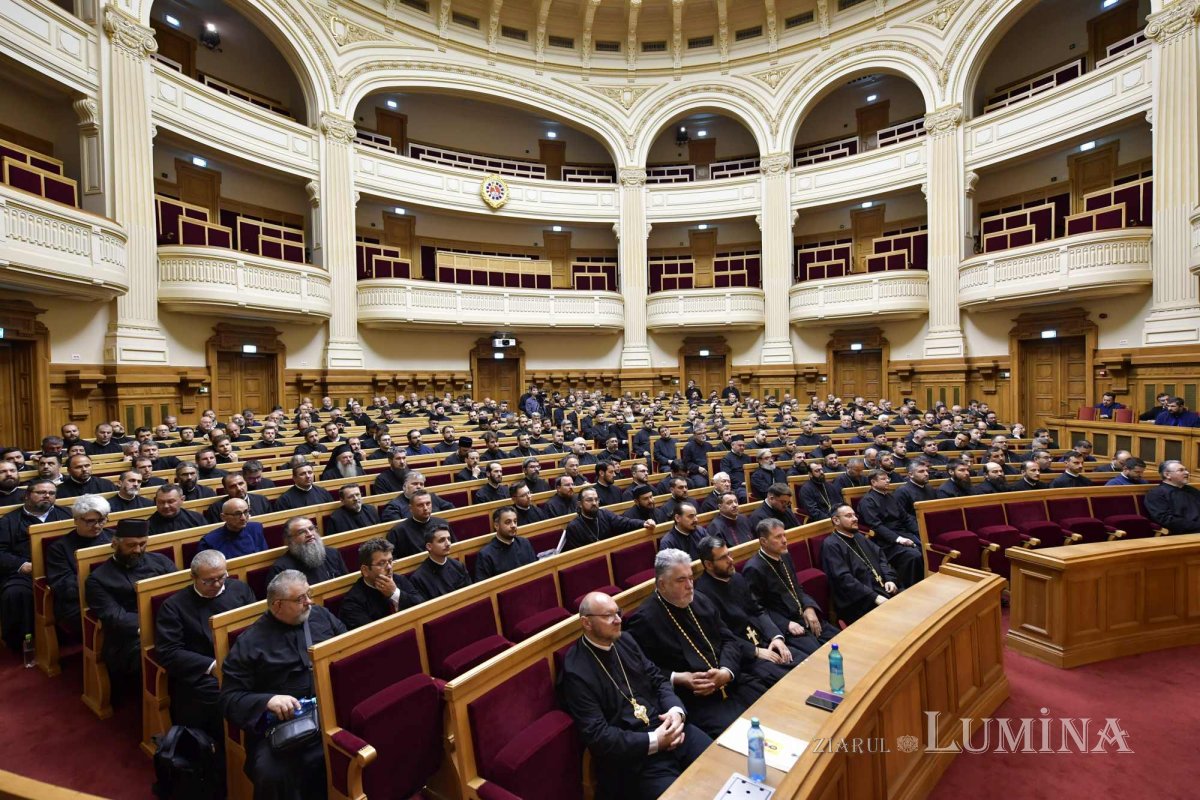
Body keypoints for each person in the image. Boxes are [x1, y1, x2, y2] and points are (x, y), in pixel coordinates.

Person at [558, 590, 712, 800]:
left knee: (721, 762)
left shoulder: (626, 641)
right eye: (608, 616)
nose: (618, 620)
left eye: (618, 612)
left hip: (671, 729)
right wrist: (655, 740)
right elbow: (598, 735)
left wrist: (676, 713)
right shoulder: (576, 670)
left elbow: (658, 680)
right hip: (636, 760)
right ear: (586, 623)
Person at [219, 570, 346, 800]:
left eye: (309, 593)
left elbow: (348, 652)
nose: (310, 602)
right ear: (277, 605)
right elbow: (229, 698)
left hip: (332, 712)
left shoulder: (321, 616)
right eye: (300, 599)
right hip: (284, 727)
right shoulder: (250, 642)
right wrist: (268, 701)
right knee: (272, 774)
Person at [625, 549, 766, 738]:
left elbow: (728, 639)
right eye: (681, 580)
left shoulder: (700, 600)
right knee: (739, 738)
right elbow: (642, 671)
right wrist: (678, 678)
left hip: (733, 681)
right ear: (662, 584)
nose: (690, 586)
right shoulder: (644, 620)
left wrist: (726, 672)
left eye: (691, 578)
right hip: (698, 700)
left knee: (773, 709)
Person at [155, 550, 257, 742]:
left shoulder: (240, 589)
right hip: (202, 671)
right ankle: (226, 747)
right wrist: (211, 667)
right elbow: (169, 651)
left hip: (242, 660)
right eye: (209, 581)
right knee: (225, 696)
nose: (217, 584)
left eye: (222, 577)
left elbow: (256, 627)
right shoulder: (174, 606)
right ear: (193, 577)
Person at [85, 519, 175, 679]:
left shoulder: (161, 561)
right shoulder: (98, 579)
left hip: (170, 624)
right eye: (131, 545)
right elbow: (116, 617)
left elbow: (178, 593)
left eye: (142, 544)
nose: (138, 550)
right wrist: (155, 627)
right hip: (130, 636)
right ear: (114, 543)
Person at [694, 537, 802, 671]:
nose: (731, 560)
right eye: (723, 558)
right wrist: (755, 651)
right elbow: (721, 636)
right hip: (745, 656)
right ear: (709, 565)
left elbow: (757, 611)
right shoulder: (702, 595)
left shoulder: (737, 578)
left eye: (729, 554)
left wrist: (776, 637)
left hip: (765, 640)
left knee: (805, 661)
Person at [742, 519, 837, 657]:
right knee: (820, 656)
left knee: (843, 640)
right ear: (763, 541)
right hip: (788, 627)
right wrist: (786, 624)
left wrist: (808, 607)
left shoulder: (784, 556)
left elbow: (796, 587)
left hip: (804, 616)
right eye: (778, 537)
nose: (785, 540)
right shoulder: (753, 569)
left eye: (784, 535)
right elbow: (757, 610)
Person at [0, 479, 72, 651]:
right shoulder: (8, 521)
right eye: (41, 492)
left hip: (61, 569)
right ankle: (25, 643)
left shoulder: (68, 515)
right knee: (15, 593)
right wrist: (21, 564)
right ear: (26, 496)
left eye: (52, 493)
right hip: (25, 572)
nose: (47, 496)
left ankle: (67, 635)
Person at [820, 505, 899, 625]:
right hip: (859, 601)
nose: (855, 518)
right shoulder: (830, 545)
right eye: (848, 516)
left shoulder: (858, 536)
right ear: (836, 520)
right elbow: (844, 580)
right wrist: (874, 597)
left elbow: (880, 556)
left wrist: (889, 579)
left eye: (854, 515)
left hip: (881, 589)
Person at [45, 494, 112, 638]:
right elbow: (64, 586)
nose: (97, 526)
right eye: (90, 521)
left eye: (102, 520)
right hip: (78, 602)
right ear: (76, 520)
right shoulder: (59, 548)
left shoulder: (114, 538)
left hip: (114, 594)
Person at [855, 469, 924, 588]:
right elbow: (876, 526)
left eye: (888, 478)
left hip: (902, 533)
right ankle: (908, 587)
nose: (888, 481)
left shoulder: (890, 496)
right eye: (883, 479)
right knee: (913, 555)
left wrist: (921, 531)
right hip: (884, 541)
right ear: (873, 482)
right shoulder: (867, 501)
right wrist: (898, 539)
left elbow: (905, 517)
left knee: (925, 546)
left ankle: (922, 583)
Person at [338, 539, 421, 630]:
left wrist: (395, 594)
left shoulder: (399, 580)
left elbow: (422, 607)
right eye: (381, 563)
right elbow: (373, 634)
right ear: (365, 570)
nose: (389, 567)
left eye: (390, 561)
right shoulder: (353, 602)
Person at [561, 488, 656, 552]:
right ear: (579, 504)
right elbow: (576, 555)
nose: (594, 503)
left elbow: (625, 522)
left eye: (596, 499)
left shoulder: (605, 514)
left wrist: (643, 523)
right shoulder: (573, 527)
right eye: (589, 500)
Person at [268, 517, 348, 584]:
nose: (310, 534)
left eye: (311, 529)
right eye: (301, 532)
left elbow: (346, 584)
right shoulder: (280, 569)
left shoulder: (333, 553)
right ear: (288, 540)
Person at [409, 525, 471, 600]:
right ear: (429, 546)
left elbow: (470, 594)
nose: (448, 544)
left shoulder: (458, 566)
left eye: (449, 539)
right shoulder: (418, 578)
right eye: (441, 540)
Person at [474, 507, 537, 580]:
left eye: (515, 521)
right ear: (496, 526)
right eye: (508, 522)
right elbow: (483, 587)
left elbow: (535, 570)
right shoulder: (486, 554)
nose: (513, 525)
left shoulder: (524, 543)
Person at [387, 490, 454, 557]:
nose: (425, 508)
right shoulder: (398, 531)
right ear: (411, 508)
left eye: (428, 504)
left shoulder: (442, 523)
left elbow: (454, 547)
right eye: (420, 505)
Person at [197, 498, 269, 559]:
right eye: (237, 514)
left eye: (246, 512)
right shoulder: (209, 541)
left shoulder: (256, 528)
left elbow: (264, 558)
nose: (243, 518)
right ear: (223, 517)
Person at [1145, 461, 1200, 536]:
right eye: (1181, 470)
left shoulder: (1192, 490)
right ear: (1167, 475)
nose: (1187, 472)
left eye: (1186, 470)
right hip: (1182, 533)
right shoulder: (1156, 494)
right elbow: (1166, 519)